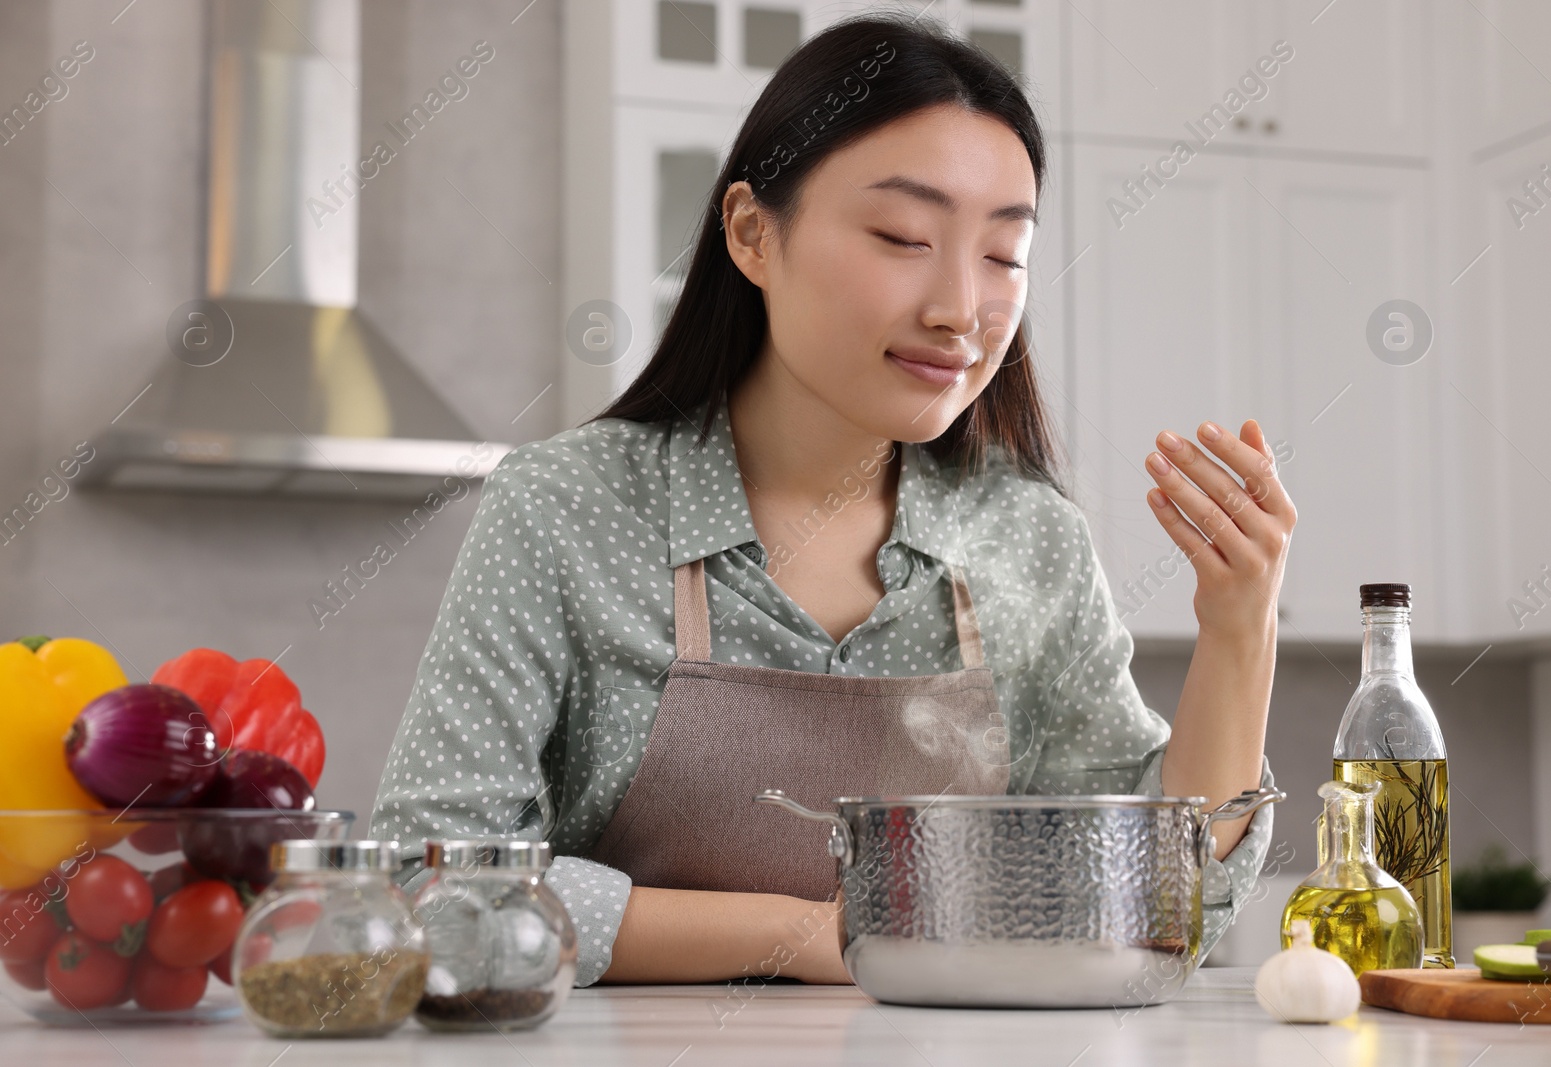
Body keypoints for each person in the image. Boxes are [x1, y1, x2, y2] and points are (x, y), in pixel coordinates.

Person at [371, 12, 1293, 989]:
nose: (957, 307)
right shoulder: (564, 509)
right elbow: (424, 882)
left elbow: (1150, 904)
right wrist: (817, 932)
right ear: (751, 233)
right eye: (902, 236)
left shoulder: (1028, 542)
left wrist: (1240, 627)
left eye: (1002, 256)